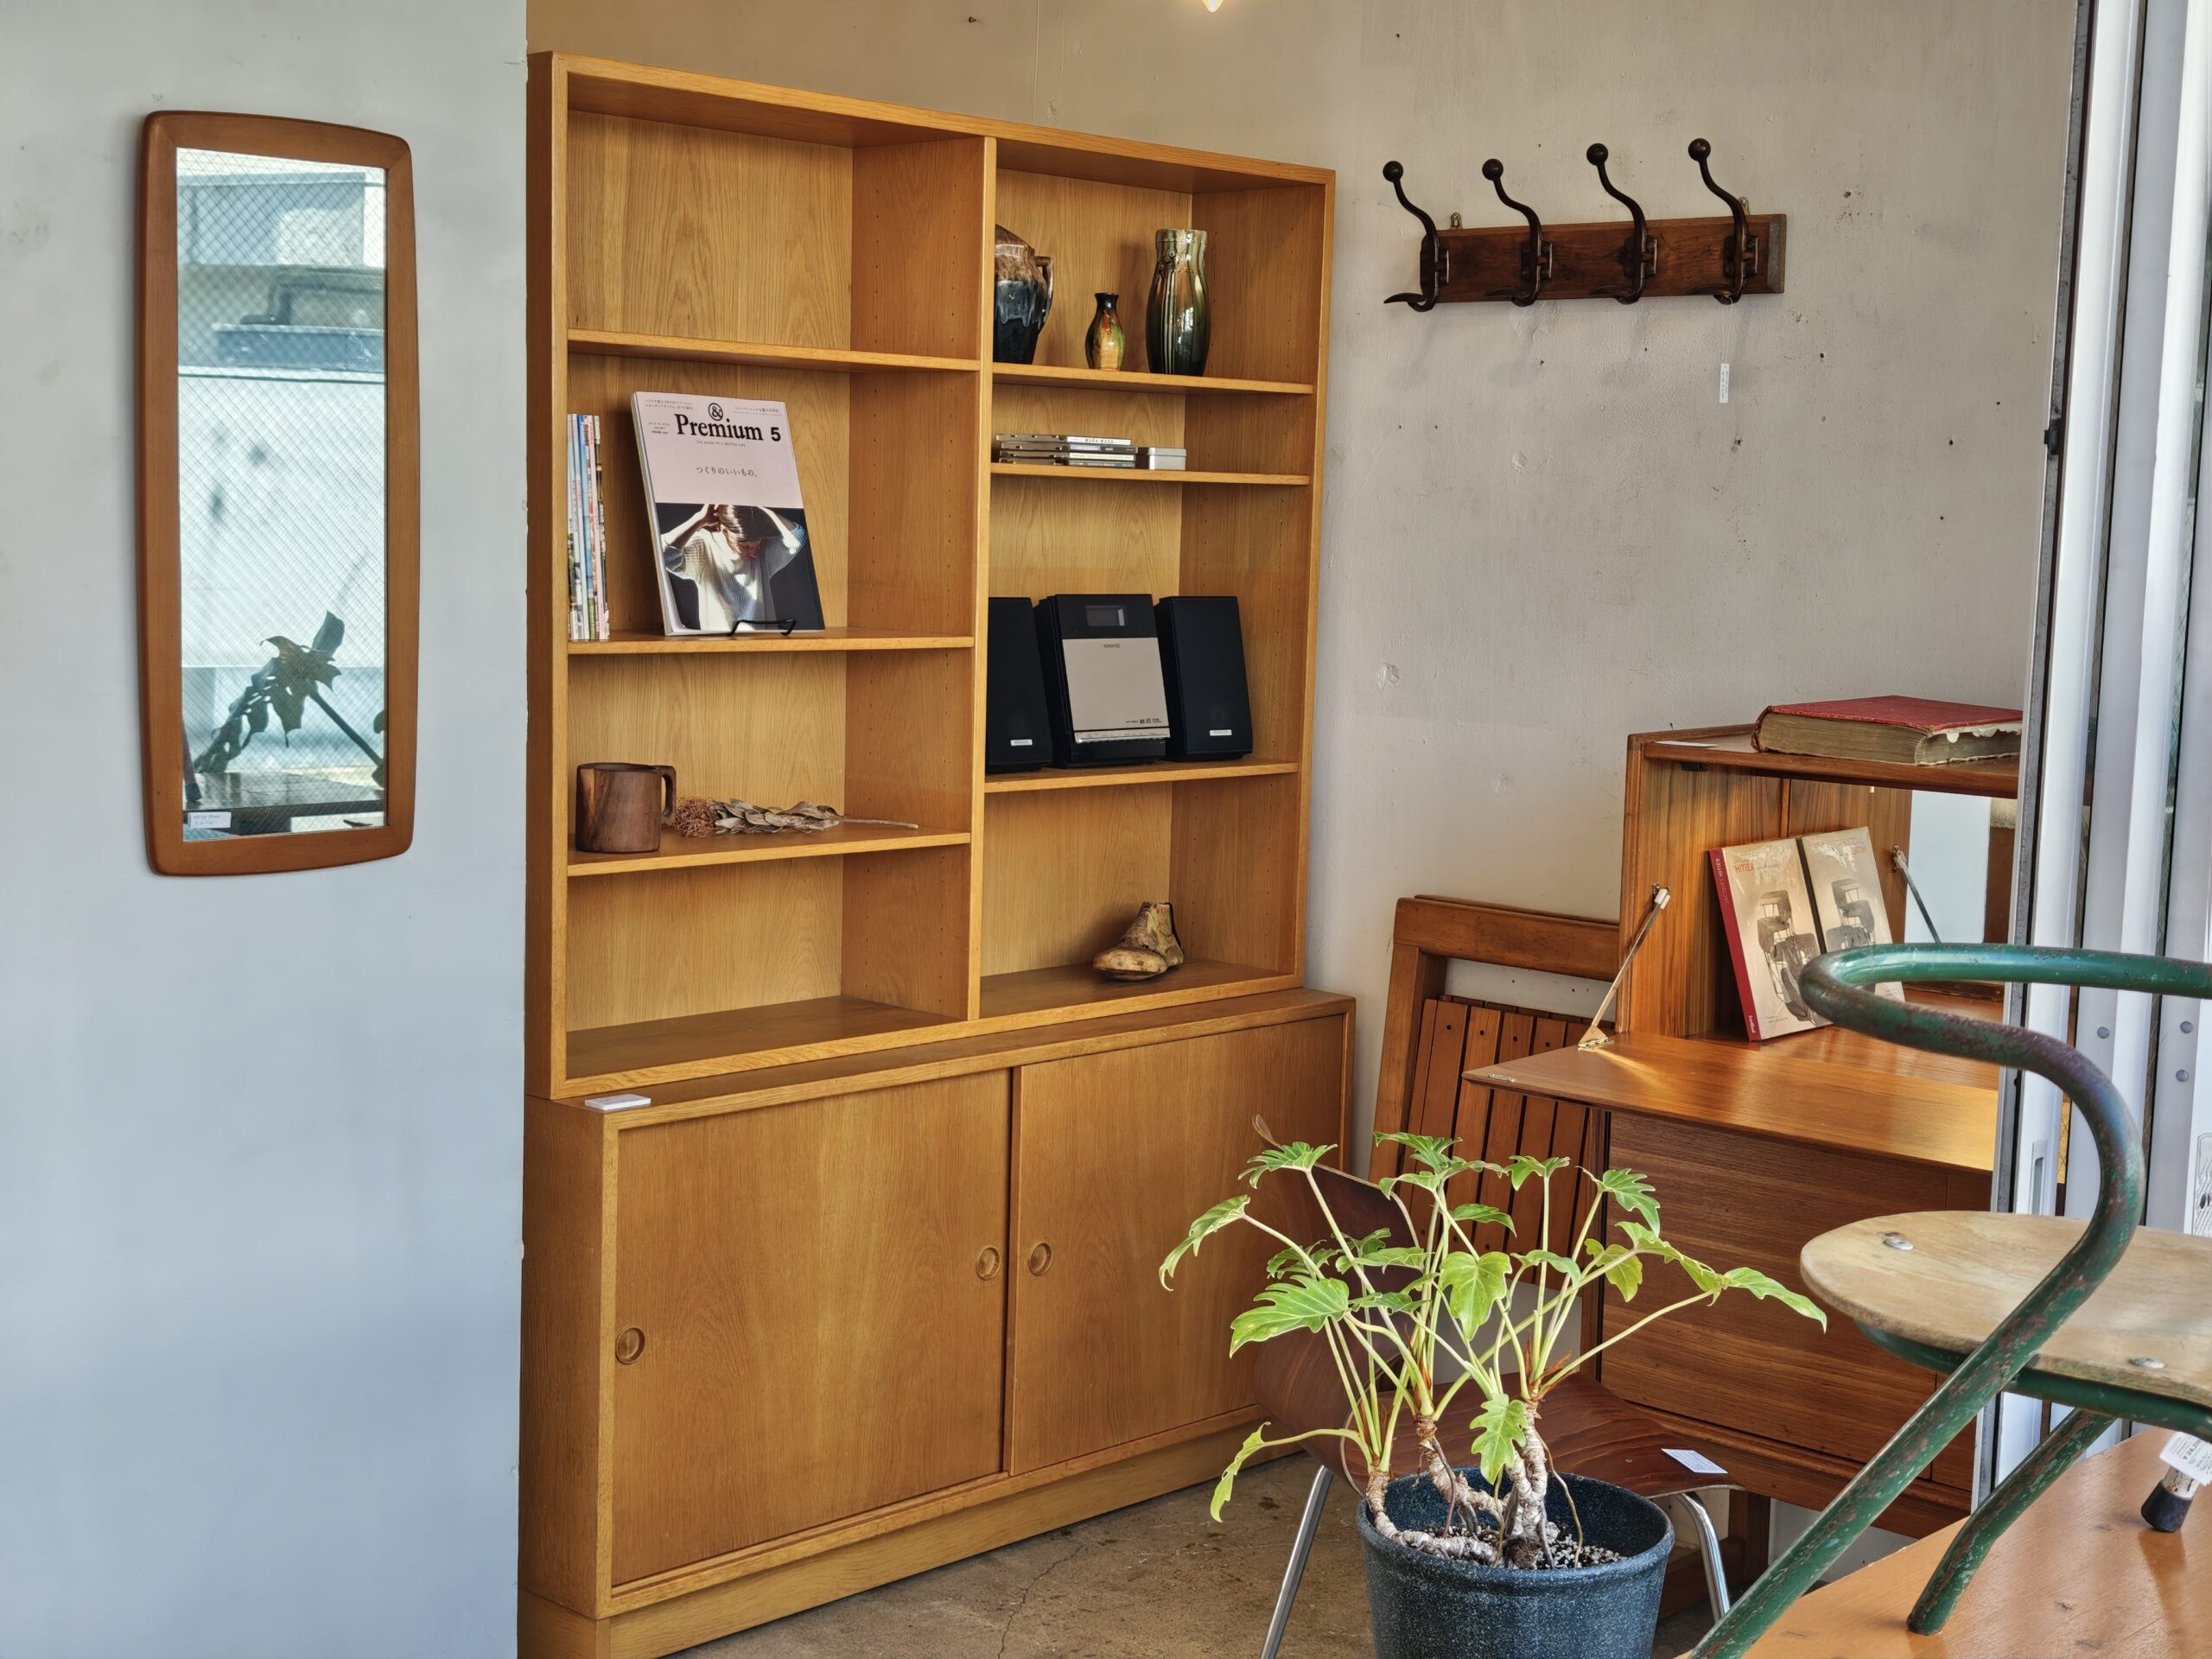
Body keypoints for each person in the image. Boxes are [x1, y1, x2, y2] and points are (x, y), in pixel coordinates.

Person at [661, 503, 804, 632]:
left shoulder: (763, 553)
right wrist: (699, 519)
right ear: (725, 531)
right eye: (746, 546)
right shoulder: (705, 547)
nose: (754, 554)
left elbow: (798, 537)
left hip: (763, 644)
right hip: (723, 646)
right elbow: (662, 556)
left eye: (758, 545)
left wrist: (761, 510)